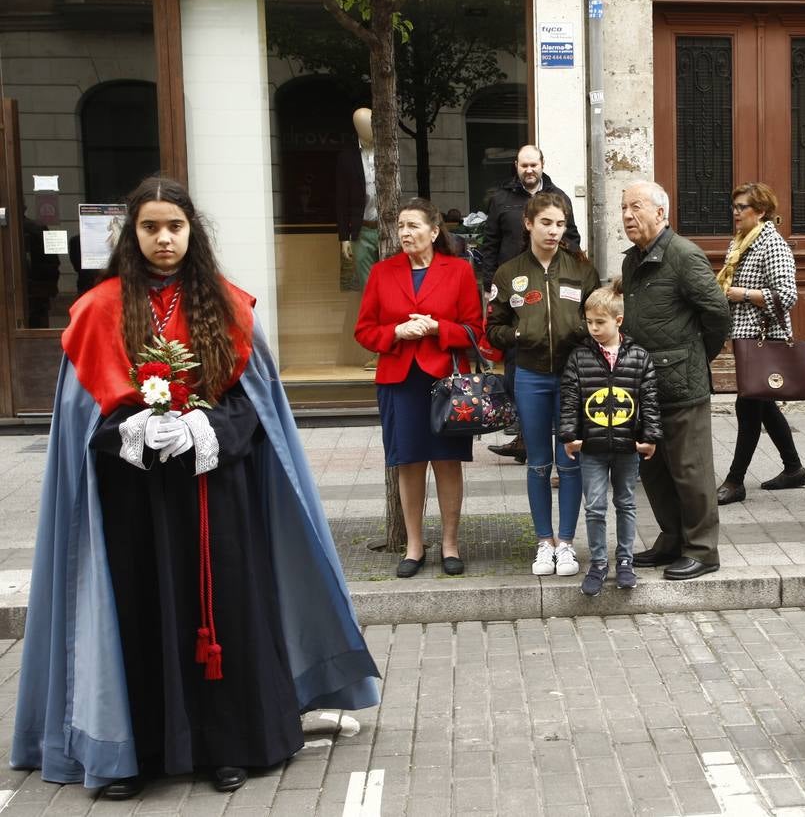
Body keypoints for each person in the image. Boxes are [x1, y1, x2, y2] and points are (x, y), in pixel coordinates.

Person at [12, 176, 379, 798]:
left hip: (216, 493)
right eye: (150, 227)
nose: (164, 239)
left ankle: (227, 746)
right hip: (132, 500)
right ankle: (138, 753)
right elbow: (81, 416)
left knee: (225, 612)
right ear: (131, 234)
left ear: (192, 232)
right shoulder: (98, 310)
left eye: (174, 227)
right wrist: (132, 429)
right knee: (137, 613)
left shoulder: (228, 306)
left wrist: (203, 428)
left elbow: (257, 406)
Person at [355, 198, 483, 578]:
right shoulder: (382, 272)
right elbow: (364, 331)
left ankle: (450, 544)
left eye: (413, 225)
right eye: (401, 226)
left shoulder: (458, 271)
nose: (405, 233)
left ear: (434, 230)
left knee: (447, 461)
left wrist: (436, 328)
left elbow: (474, 330)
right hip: (399, 380)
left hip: (446, 381)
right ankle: (414, 546)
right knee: (408, 462)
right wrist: (397, 331)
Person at [621, 181, 732, 581]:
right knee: (654, 469)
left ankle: (702, 550)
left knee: (690, 470)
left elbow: (717, 313)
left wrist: (695, 357)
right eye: (624, 208)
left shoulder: (684, 255)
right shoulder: (632, 261)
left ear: (661, 213)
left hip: (682, 384)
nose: (627, 215)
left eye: (636, 207)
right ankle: (672, 538)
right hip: (643, 384)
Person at [487, 192, 599, 578]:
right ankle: (543, 542)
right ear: (529, 224)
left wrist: (580, 330)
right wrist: (519, 334)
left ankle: (566, 543)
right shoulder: (508, 273)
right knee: (537, 463)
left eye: (560, 224)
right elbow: (493, 328)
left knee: (569, 461)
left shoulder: (581, 269)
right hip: (530, 376)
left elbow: (598, 316)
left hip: (573, 377)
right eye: (547, 223)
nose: (554, 231)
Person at [559, 284, 662, 595]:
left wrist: (650, 436)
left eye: (600, 322)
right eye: (589, 322)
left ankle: (625, 561)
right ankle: (599, 563)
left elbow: (650, 400)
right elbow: (570, 399)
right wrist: (569, 435)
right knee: (594, 506)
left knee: (626, 503)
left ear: (618, 320)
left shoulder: (639, 357)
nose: (593, 328)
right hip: (591, 447)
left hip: (627, 446)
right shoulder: (579, 357)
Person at [483, 145, 582, 462]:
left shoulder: (559, 197)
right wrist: (489, 285)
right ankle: (525, 430)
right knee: (516, 358)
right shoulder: (501, 198)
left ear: (542, 165)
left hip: (552, 285)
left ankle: (542, 438)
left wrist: (565, 268)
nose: (529, 170)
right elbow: (490, 243)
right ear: (516, 166)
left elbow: (574, 239)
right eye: (523, 165)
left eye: (533, 165)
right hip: (513, 291)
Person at [715, 182, 805, 506]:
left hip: (763, 337)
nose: (735, 212)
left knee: (748, 405)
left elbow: (787, 296)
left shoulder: (772, 244)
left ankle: (735, 480)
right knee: (762, 404)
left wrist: (742, 294)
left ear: (762, 211)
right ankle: (794, 469)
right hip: (745, 336)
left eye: (742, 207)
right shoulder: (740, 241)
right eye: (734, 206)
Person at [336, 106, 379, 291]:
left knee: (390, 282)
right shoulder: (347, 157)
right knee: (367, 285)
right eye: (364, 125)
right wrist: (344, 237)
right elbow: (341, 200)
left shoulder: (387, 152)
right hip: (361, 230)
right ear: (357, 128)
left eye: (371, 124)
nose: (369, 128)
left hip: (386, 229)